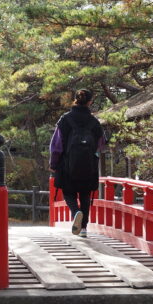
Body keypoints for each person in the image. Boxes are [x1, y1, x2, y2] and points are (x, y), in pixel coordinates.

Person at [49, 89, 106, 237]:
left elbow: (56, 145)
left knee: (69, 193)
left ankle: (76, 213)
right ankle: (84, 229)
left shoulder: (65, 119)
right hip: (88, 167)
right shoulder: (94, 122)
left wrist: (54, 163)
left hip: (67, 165)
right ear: (90, 102)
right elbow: (101, 145)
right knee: (85, 196)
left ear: (74, 100)